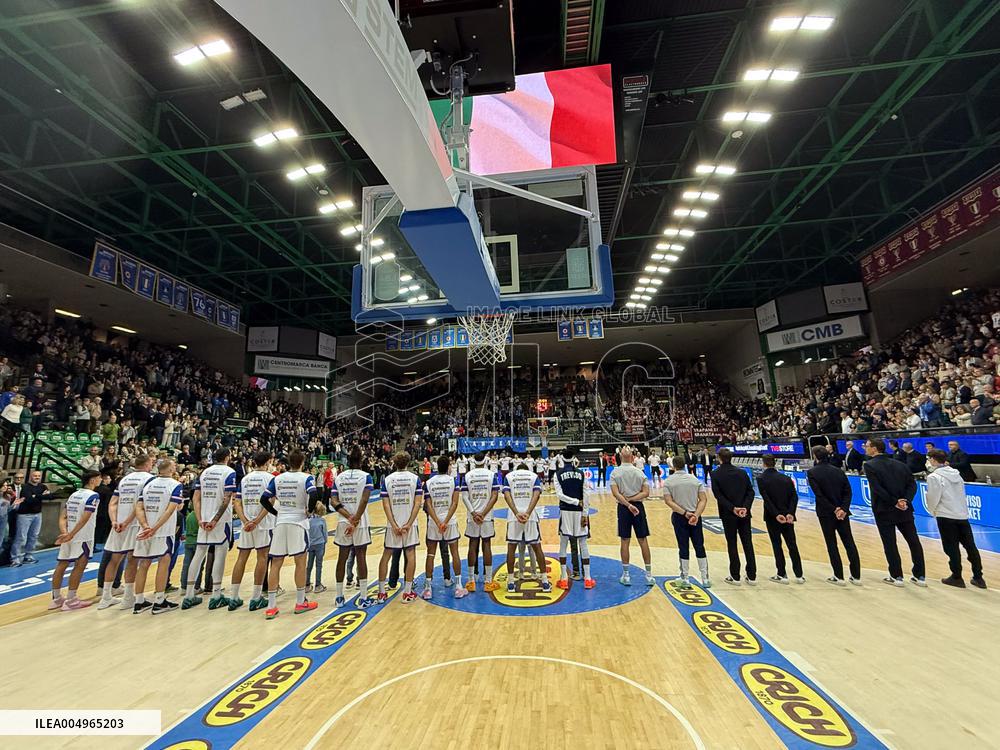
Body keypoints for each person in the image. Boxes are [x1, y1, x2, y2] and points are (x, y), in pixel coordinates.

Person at [260, 449, 321, 619]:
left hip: (281, 522)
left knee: (276, 563)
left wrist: (275, 513)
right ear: (302, 462)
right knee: (300, 562)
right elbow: (314, 493)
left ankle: (271, 606)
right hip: (298, 522)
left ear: (288, 462)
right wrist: (309, 510)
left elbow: (264, 499)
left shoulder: (277, 478)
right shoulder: (306, 477)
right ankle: (300, 602)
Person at [863, 438, 926, 587]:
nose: (865, 448)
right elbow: (912, 485)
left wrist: (894, 502)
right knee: (913, 541)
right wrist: (905, 500)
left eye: (867, 446)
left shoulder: (870, 465)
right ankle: (920, 575)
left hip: (884, 510)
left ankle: (896, 576)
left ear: (874, 448)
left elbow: (877, 489)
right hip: (904, 509)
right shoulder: (901, 464)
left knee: (890, 543)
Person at [96, 453, 154, 610]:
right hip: (134, 524)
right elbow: (139, 505)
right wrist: (128, 522)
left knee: (114, 559)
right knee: (133, 559)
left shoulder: (124, 479)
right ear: (148, 464)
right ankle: (128, 597)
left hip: (118, 524)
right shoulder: (149, 479)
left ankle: (106, 596)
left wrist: (115, 521)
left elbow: (113, 503)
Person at [183, 448, 237, 610]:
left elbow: (196, 498)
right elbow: (227, 499)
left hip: (203, 519)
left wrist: (200, 518)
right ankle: (216, 594)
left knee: (199, 555)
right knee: (220, 554)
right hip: (220, 520)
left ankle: (189, 594)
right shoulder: (229, 472)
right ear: (227, 457)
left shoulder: (204, 472)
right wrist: (215, 519)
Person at [924, 449, 986, 588]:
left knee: (951, 548)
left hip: (945, 515)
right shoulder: (956, 474)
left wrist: (932, 510)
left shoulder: (934, 477)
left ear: (933, 460)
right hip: (962, 514)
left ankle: (956, 577)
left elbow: (934, 497)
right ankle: (978, 577)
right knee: (971, 547)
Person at [132, 458, 184, 614]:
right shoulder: (175, 485)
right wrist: (154, 528)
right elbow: (170, 510)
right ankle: (159, 601)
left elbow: (139, 507)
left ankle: (139, 601)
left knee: (143, 564)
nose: (175, 467)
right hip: (162, 531)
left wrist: (145, 525)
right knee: (164, 562)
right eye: (174, 466)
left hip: (145, 530)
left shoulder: (149, 484)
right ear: (169, 469)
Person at [807, 446, 861, 585]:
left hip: (826, 513)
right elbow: (848, 492)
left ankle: (838, 576)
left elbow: (819, 495)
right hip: (842, 513)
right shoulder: (839, 471)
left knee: (832, 544)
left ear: (815, 456)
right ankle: (856, 576)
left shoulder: (812, 472)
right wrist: (842, 508)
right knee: (849, 543)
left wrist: (834, 509)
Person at [48, 470, 101, 611]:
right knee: (79, 566)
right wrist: (72, 534)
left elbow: (63, 516)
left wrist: (65, 532)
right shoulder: (93, 496)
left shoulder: (73, 495)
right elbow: (86, 517)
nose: (100, 480)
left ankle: (56, 598)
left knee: (61, 565)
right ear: (92, 480)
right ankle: (71, 599)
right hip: (83, 536)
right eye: (99, 478)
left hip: (68, 535)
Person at [229, 451, 275, 612]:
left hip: (246, 524)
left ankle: (233, 596)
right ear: (268, 461)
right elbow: (270, 502)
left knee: (241, 558)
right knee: (262, 557)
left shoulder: (245, 478)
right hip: (263, 524)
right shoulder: (270, 478)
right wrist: (256, 521)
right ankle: (256, 597)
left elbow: (237, 502)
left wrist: (245, 520)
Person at [332, 446, 375, 608]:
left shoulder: (340, 477)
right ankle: (363, 597)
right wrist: (355, 520)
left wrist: (347, 516)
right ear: (361, 461)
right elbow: (364, 500)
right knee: (361, 557)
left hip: (343, 521)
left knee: (341, 558)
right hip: (361, 522)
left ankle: (339, 597)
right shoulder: (366, 477)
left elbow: (333, 501)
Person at [377, 452, 422, 604]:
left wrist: (394, 524)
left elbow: (385, 504)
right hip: (410, 524)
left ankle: (381, 592)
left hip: (393, 524)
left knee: (386, 556)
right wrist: (409, 523)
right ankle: (407, 592)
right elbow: (417, 504)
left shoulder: (387, 479)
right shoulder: (415, 479)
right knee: (411, 555)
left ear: (395, 463)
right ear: (408, 462)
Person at [502, 459, 551, 594]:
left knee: (511, 549)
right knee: (537, 548)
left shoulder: (509, 477)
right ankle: (545, 582)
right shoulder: (533, 477)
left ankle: (511, 582)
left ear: (517, 469)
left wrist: (517, 513)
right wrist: (528, 513)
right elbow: (537, 495)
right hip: (530, 517)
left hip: (514, 517)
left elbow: (507, 496)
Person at [661, 456, 710, 588]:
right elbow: (703, 499)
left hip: (680, 516)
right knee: (699, 545)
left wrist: (684, 513)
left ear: (673, 466)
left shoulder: (669, 482)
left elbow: (668, 501)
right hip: (695, 516)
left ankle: (685, 577)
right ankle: (705, 578)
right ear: (685, 465)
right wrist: (696, 515)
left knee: (683, 546)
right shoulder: (695, 480)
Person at [711, 448, 757, 585]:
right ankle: (752, 575)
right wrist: (745, 508)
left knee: (732, 544)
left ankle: (735, 576)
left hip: (728, 514)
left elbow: (718, 496)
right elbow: (751, 492)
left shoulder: (715, 474)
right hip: (744, 513)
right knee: (748, 543)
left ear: (719, 458)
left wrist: (733, 508)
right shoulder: (742, 472)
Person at [422, 454, 465, 600]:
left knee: (431, 554)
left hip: (434, 523)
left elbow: (427, 505)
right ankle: (458, 587)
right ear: (448, 467)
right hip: (450, 521)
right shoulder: (453, 481)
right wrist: (445, 521)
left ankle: (428, 588)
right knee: (454, 553)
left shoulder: (429, 482)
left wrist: (437, 521)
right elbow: (454, 503)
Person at [609, 447, 654, 587]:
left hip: (623, 508)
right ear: (633, 457)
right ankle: (649, 575)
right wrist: (633, 500)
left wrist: (627, 503)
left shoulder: (615, 473)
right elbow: (646, 492)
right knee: (643, 540)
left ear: (620, 457)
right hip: (638, 507)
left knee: (625, 540)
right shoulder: (639, 472)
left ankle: (626, 575)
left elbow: (616, 494)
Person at [756, 456, 804, 584]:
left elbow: (767, 499)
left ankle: (782, 574)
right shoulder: (786, 478)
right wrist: (790, 513)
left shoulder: (761, 478)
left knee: (777, 545)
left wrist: (776, 514)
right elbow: (794, 497)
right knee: (792, 544)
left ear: (763, 464)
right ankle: (799, 575)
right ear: (775, 463)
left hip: (773, 517)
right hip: (788, 517)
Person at [553, 448, 593, 589]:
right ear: (574, 458)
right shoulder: (582, 474)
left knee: (563, 544)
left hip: (565, 511)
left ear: (562, 458)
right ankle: (588, 579)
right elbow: (586, 495)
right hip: (579, 512)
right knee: (583, 544)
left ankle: (564, 579)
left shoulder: (558, 474)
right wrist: (584, 513)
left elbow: (559, 495)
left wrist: (574, 501)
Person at [461, 453, 501, 593]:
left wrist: (473, 513)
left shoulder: (467, 476)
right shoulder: (491, 475)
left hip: (472, 517)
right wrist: (483, 513)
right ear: (485, 461)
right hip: (487, 516)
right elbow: (495, 496)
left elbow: (464, 497)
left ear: (473, 461)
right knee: (486, 544)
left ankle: (471, 581)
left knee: (472, 545)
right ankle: (488, 581)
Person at [10, 470, 57, 567]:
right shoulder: (25, 487)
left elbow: (50, 496)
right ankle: (15, 558)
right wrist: (41, 496)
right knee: (21, 537)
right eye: (35, 476)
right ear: (30, 476)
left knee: (34, 536)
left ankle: (28, 556)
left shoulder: (42, 486)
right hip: (24, 515)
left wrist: (36, 496)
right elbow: (29, 500)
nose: (37, 477)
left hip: (37, 514)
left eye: (38, 476)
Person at [306, 501, 328, 594]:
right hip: (320, 544)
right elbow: (325, 534)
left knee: (309, 565)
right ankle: (318, 585)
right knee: (319, 565)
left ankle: (306, 584)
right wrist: (324, 542)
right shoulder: (322, 521)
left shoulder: (308, 520)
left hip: (310, 544)